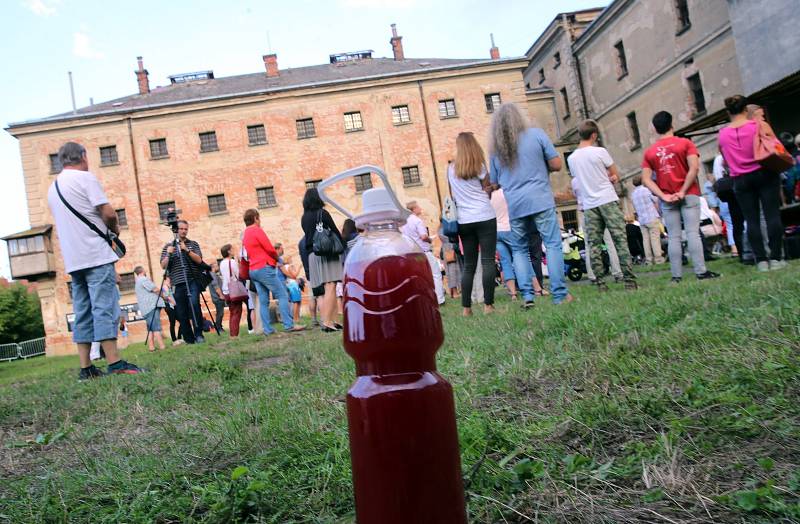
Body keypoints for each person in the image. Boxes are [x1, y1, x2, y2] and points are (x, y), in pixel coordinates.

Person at [46, 141, 143, 378]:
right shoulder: (84, 178)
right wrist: (114, 230)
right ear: (83, 156)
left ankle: (86, 367)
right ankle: (115, 362)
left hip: (73, 258)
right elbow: (108, 212)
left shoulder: (53, 187)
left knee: (83, 310)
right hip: (95, 254)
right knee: (105, 306)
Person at [488, 104, 572, 308]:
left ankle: (527, 295)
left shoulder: (496, 149)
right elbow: (556, 164)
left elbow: (494, 181)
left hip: (515, 204)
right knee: (552, 244)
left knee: (519, 250)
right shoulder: (537, 135)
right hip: (541, 198)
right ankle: (560, 294)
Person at [641, 111, 720, 282]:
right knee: (692, 233)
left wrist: (663, 195)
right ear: (672, 124)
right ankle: (701, 271)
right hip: (689, 194)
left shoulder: (650, 152)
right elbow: (694, 168)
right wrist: (683, 190)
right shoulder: (685, 144)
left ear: (655, 129)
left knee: (674, 236)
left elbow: (646, 179)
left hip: (667, 198)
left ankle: (676, 275)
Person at [718, 95, 788, 272]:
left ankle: (761, 260)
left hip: (740, 179)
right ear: (745, 110)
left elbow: (725, 161)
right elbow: (776, 147)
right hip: (764, 172)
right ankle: (776, 258)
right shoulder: (759, 126)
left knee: (752, 220)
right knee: (772, 215)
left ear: (728, 112)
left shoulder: (723, 134)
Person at [568, 120, 636, 291]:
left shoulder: (572, 158)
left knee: (594, 244)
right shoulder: (600, 152)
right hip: (607, 199)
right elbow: (615, 175)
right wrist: (609, 179)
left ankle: (600, 283)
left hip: (589, 205)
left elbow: (578, 180)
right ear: (594, 135)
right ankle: (629, 280)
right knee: (619, 240)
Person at [448, 132, 497, 316]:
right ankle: (488, 306)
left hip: (463, 220)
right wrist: (491, 188)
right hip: (484, 216)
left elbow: (452, 195)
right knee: (488, 261)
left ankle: (466, 308)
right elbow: (487, 191)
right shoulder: (481, 167)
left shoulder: (450, 169)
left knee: (469, 265)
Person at [242, 209, 305, 335]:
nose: (260, 221)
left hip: (253, 270)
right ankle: (289, 325)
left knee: (263, 300)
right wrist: (277, 260)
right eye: (259, 218)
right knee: (282, 295)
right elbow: (269, 249)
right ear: (255, 218)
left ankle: (267, 329)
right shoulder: (257, 230)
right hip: (264, 267)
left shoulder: (245, 234)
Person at [301, 189, 344, 332]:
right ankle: (327, 322)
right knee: (331, 286)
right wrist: (342, 246)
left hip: (312, 255)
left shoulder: (304, 217)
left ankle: (335, 321)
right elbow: (335, 231)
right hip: (326, 253)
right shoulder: (323, 214)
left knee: (326, 290)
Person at [160, 219, 206, 343]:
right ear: (176, 230)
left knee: (195, 305)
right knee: (181, 311)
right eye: (181, 229)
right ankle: (189, 338)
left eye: (186, 229)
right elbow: (163, 265)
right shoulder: (168, 247)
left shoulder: (193, 244)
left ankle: (199, 334)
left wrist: (187, 250)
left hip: (192, 281)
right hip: (177, 283)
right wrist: (168, 254)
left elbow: (199, 260)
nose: (184, 231)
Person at [400, 200, 447, 306]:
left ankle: (423, 299)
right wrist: (430, 240)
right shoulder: (417, 221)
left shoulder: (403, 223)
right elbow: (423, 236)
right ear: (413, 209)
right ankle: (440, 299)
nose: (420, 208)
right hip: (423, 251)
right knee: (435, 274)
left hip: (411, 253)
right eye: (418, 207)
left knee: (419, 276)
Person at [490, 188, 518, 300]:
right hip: (509, 228)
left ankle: (513, 293)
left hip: (496, 231)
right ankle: (534, 288)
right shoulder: (506, 191)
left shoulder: (489, 196)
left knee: (505, 263)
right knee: (519, 257)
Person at [631, 175, 665, 265]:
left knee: (645, 240)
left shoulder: (633, 194)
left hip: (642, 219)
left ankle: (649, 259)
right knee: (655, 239)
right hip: (651, 216)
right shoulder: (646, 190)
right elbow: (655, 199)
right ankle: (658, 259)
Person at [134, 266, 166, 352]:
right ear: (142, 271)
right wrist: (165, 297)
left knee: (150, 328)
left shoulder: (137, 282)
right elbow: (155, 289)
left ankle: (151, 347)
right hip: (151, 306)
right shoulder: (143, 279)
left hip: (145, 308)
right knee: (156, 327)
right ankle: (162, 346)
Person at [219, 244, 244, 337]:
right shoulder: (232, 262)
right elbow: (238, 274)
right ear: (228, 251)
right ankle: (234, 334)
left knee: (232, 312)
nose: (234, 250)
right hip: (234, 289)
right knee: (236, 312)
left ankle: (233, 333)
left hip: (226, 290)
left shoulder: (221, 263)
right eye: (232, 249)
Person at [298, 235, 322, 327]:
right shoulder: (313, 238)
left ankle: (313, 320)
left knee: (312, 296)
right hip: (317, 270)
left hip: (308, 272)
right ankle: (324, 319)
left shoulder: (300, 243)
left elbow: (301, 258)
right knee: (320, 295)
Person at [161, 277, 181, 345]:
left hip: (174, 306)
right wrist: (173, 302)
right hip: (169, 306)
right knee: (172, 322)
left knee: (181, 321)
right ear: (166, 279)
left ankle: (179, 337)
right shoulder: (164, 286)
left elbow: (175, 294)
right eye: (169, 278)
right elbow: (167, 296)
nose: (170, 279)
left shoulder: (171, 286)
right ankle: (174, 340)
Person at [207, 261, 226, 333]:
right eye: (216, 265)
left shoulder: (212, 275)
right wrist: (221, 295)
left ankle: (219, 326)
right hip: (217, 298)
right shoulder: (213, 275)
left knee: (220, 313)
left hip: (216, 297)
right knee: (220, 313)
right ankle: (218, 328)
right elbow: (216, 286)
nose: (218, 266)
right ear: (213, 267)